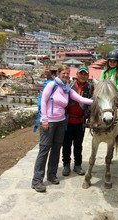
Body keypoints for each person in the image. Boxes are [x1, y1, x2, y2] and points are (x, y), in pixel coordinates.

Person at [31, 65, 93, 193]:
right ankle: (37, 180)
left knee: (56, 149)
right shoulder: (52, 85)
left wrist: (97, 100)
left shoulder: (66, 89)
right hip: (49, 122)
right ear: (59, 73)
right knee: (44, 149)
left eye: (67, 73)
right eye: (63, 73)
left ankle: (52, 175)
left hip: (61, 121)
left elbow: (80, 99)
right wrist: (44, 119)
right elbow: (43, 101)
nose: (66, 75)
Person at [62, 66, 93, 176]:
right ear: (77, 75)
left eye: (85, 74)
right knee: (66, 144)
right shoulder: (69, 85)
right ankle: (66, 165)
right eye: (81, 74)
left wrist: (90, 116)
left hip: (80, 121)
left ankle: (77, 165)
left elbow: (91, 102)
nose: (83, 76)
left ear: (88, 76)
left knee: (78, 144)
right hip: (68, 120)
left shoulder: (90, 87)